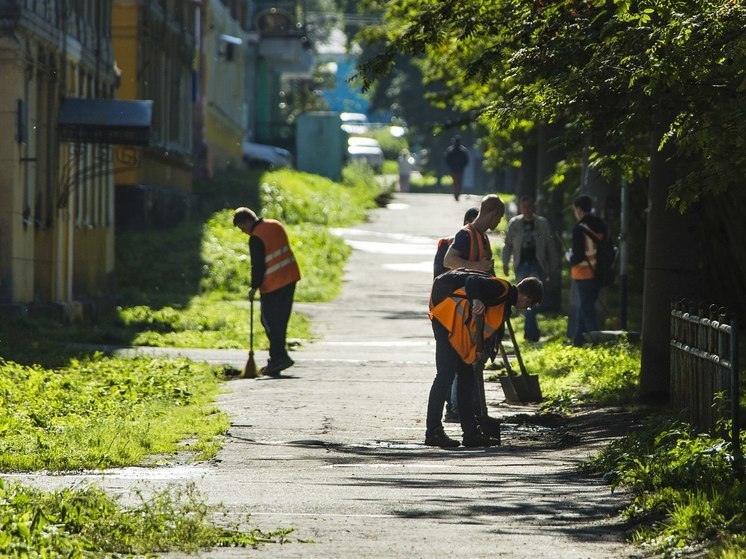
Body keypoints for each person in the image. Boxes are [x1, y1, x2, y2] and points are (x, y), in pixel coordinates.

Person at [425, 269, 544, 448]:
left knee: (467, 378)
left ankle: (471, 433)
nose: (524, 308)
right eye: (528, 305)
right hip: (447, 321)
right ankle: (433, 431)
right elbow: (472, 281)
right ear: (527, 299)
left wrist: (481, 350)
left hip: (458, 332)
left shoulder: (503, 302)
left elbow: (485, 327)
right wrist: (476, 299)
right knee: (445, 376)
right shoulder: (501, 288)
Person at [233, 207, 301, 376]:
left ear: (247, 222)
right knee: (281, 320)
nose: (244, 232)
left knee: (270, 322)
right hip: (290, 277)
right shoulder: (275, 225)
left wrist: (254, 287)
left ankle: (279, 358)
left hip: (273, 284)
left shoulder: (256, 237)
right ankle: (277, 358)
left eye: (242, 228)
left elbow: (258, 265)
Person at [433, 206, 479, 423]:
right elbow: (441, 279)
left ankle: (467, 416)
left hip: (470, 316)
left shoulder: (482, 246)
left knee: (466, 367)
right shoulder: (448, 246)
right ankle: (452, 410)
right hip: (449, 315)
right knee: (448, 370)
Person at [502, 196, 558, 342]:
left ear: (533, 207)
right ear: (520, 207)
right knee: (525, 297)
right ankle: (531, 332)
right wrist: (505, 263)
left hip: (537, 265)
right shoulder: (515, 223)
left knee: (531, 297)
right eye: (524, 206)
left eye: (529, 206)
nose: (527, 209)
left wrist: (551, 269)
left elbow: (550, 247)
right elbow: (507, 244)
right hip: (521, 265)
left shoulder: (542, 223)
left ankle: (531, 333)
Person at [567, 194, 608, 346]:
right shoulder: (601, 224)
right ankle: (577, 341)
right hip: (600, 273)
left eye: (575, 210)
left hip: (583, 274)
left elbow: (577, 256)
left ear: (578, 209)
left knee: (587, 310)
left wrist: (569, 257)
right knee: (584, 307)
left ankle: (597, 343)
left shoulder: (579, 229)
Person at [443, 193, 504, 274]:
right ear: (494, 213)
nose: (499, 221)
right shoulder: (465, 234)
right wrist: (477, 266)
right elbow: (448, 260)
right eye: (500, 217)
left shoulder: (484, 238)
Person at [444, 136, 470, 201]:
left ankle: (457, 194)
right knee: (457, 182)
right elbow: (447, 160)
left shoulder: (460, 150)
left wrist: (461, 166)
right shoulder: (453, 150)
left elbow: (466, 160)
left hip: (458, 169)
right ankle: (456, 194)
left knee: (457, 182)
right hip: (456, 169)